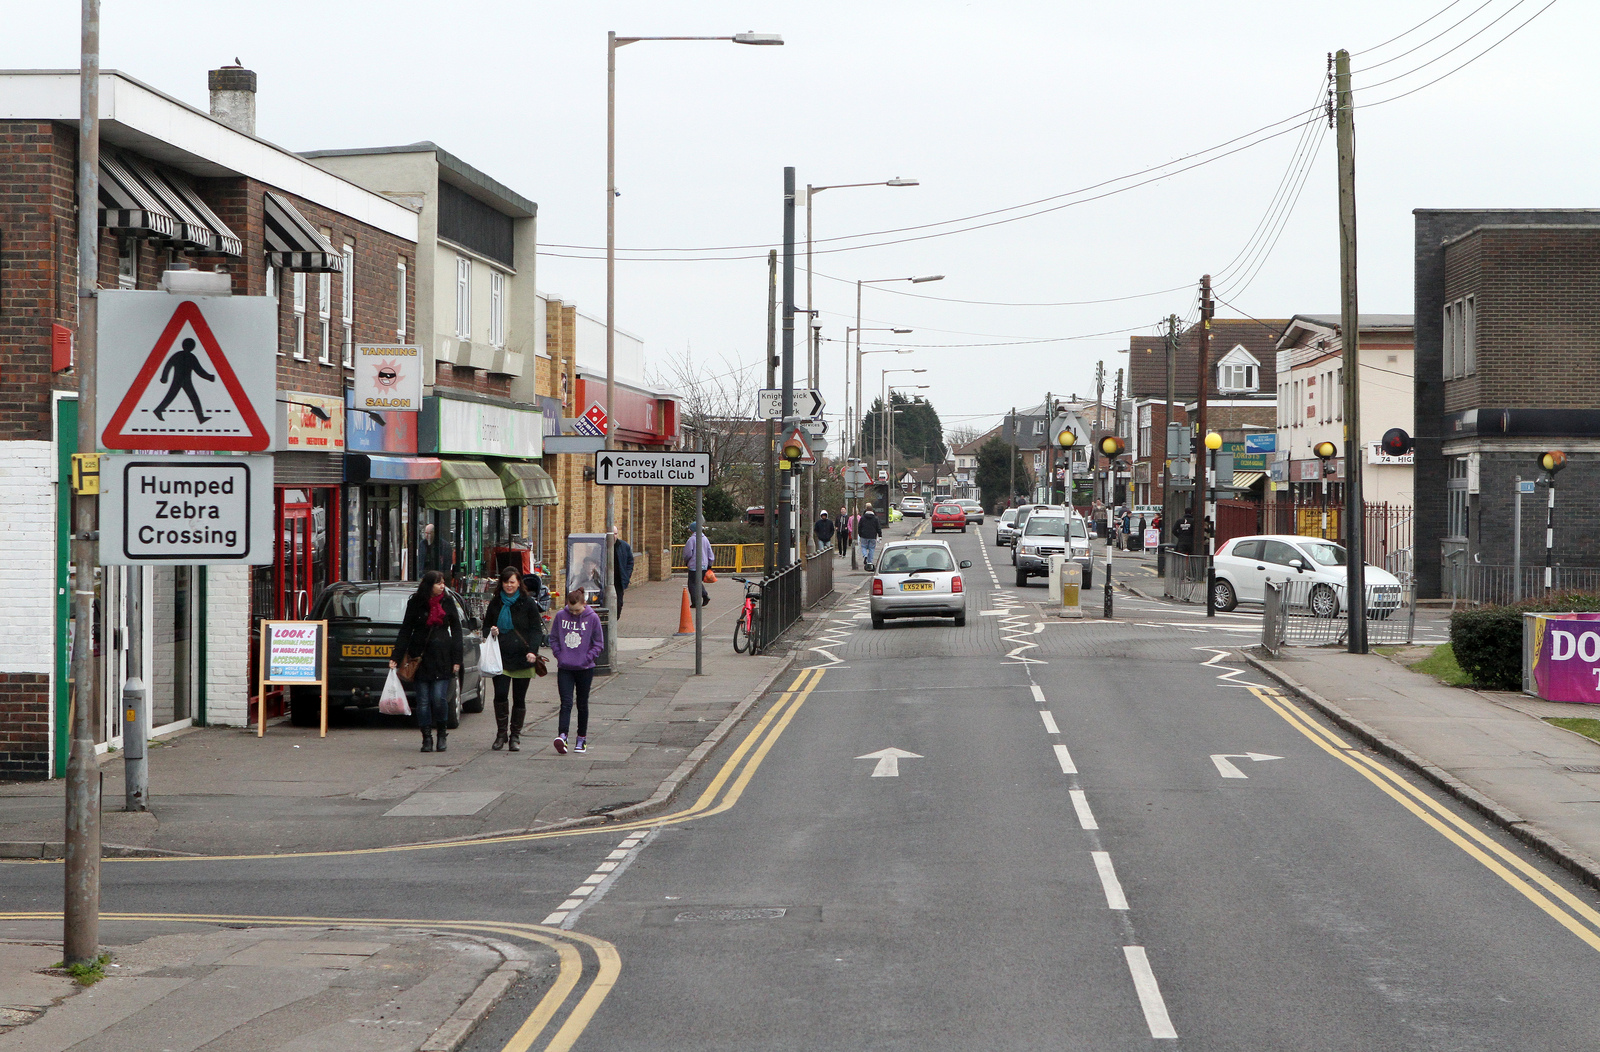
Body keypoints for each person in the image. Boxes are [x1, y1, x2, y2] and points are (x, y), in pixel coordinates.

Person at [390, 571, 462, 754]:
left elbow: (457, 631)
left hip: (442, 657)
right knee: (422, 701)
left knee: (439, 698)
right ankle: (427, 738)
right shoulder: (416, 602)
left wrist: (457, 659)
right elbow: (406, 630)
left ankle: (442, 734)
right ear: (429, 585)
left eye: (443, 582)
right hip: (420, 658)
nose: (442, 586)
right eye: (438, 583)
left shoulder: (447, 601)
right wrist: (396, 657)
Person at [483, 566, 543, 752]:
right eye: (506, 582)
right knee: (500, 695)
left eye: (512, 582)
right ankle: (501, 735)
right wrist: (491, 631)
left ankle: (515, 736)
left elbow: (536, 630)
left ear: (518, 583)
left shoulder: (527, 603)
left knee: (519, 698)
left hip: (523, 657)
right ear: (501, 583)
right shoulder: (496, 603)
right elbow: (485, 627)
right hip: (500, 658)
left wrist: (533, 651)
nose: (509, 585)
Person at [549, 587, 605, 754]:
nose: (574, 613)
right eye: (571, 610)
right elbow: (553, 638)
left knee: (582, 704)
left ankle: (582, 738)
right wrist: (559, 655)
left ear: (584, 604)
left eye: (577, 610)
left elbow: (599, 643)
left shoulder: (592, 618)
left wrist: (588, 657)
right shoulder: (560, 616)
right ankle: (563, 736)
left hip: (584, 668)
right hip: (565, 667)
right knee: (565, 703)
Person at [684, 522, 712, 606]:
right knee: (698, 582)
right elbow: (710, 553)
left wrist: (686, 561)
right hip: (704, 565)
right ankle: (704, 595)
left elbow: (688, 553)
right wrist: (709, 564)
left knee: (692, 583)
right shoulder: (705, 539)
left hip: (694, 565)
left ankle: (695, 602)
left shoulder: (691, 540)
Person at [613, 533, 634, 620]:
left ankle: (614, 621)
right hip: (604, 582)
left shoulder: (624, 546)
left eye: (615, 534)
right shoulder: (602, 546)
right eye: (612, 533)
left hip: (619, 582)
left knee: (619, 603)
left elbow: (630, 561)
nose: (613, 536)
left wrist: (627, 575)